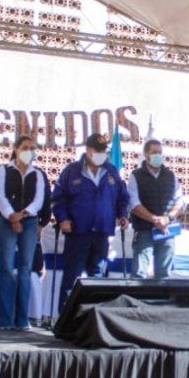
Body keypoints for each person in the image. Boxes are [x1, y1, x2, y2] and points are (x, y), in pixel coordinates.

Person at [52, 132, 130, 311]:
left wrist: (123, 215)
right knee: (72, 277)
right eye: (98, 150)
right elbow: (58, 199)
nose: (102, 154)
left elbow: (122, 198)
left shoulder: (111, 171)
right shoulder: (72, 171)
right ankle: (65, 320)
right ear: (88, 150)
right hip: (78, 232)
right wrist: (63, 219)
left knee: (97, 278)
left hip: (102, 232)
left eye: (104, 151)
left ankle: (94, 319)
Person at [0, 135, 50, 331]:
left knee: (26, 268)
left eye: (32, 148)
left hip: (28, 222)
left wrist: (23, 215)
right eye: (25, 147)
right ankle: (5, 319)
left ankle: (22, 318)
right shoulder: (4, 170)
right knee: (7, 267)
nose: (29, 151)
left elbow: (39, 199)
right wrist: (11, 216)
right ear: (16, 149)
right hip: (6, 221)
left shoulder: (38, 174)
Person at [128, 139, 184, 279]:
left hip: (167, 230)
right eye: (154, 152)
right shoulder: (136, 176)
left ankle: (162, 301)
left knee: (164, 274)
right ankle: (135, 301)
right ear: (146, 154)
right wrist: (154, 219)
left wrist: (168, 218)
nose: (158, 155)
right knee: (139, 274)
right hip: (144, 231)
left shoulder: (170, 176)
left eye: (160, 152)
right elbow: (134, 204)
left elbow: (180, 201)